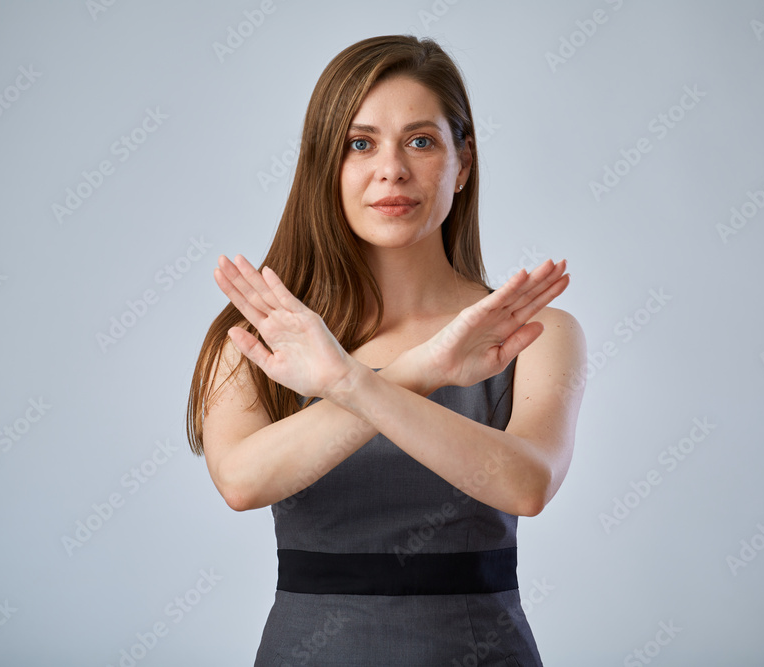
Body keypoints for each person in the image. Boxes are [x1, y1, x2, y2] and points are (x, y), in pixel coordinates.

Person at [186, 34, 586, 666]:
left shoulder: (538, 332)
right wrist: (421, 371)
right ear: (325, 163)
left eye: (421, 141)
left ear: (464, 160)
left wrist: (352, 382)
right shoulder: (261, 335)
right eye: (360, 143)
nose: (391, 169)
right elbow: (241, 481)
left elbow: (527, 485)